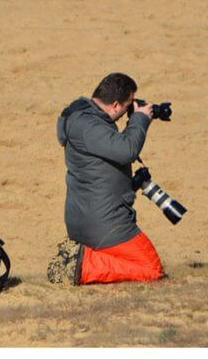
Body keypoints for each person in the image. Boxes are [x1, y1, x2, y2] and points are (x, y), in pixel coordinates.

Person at [47, 72, 164, 285]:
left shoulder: (84, 117)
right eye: (128, 106)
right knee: (151, 268)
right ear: (116, 105)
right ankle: (81, 266)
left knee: (133, 263)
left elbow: (99, 172)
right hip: (105, 224)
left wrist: (131, 184)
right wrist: (139, 119)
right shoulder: (90, 126)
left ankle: (83, 256)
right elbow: (127, 149)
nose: (127, 112)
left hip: (89, 219)